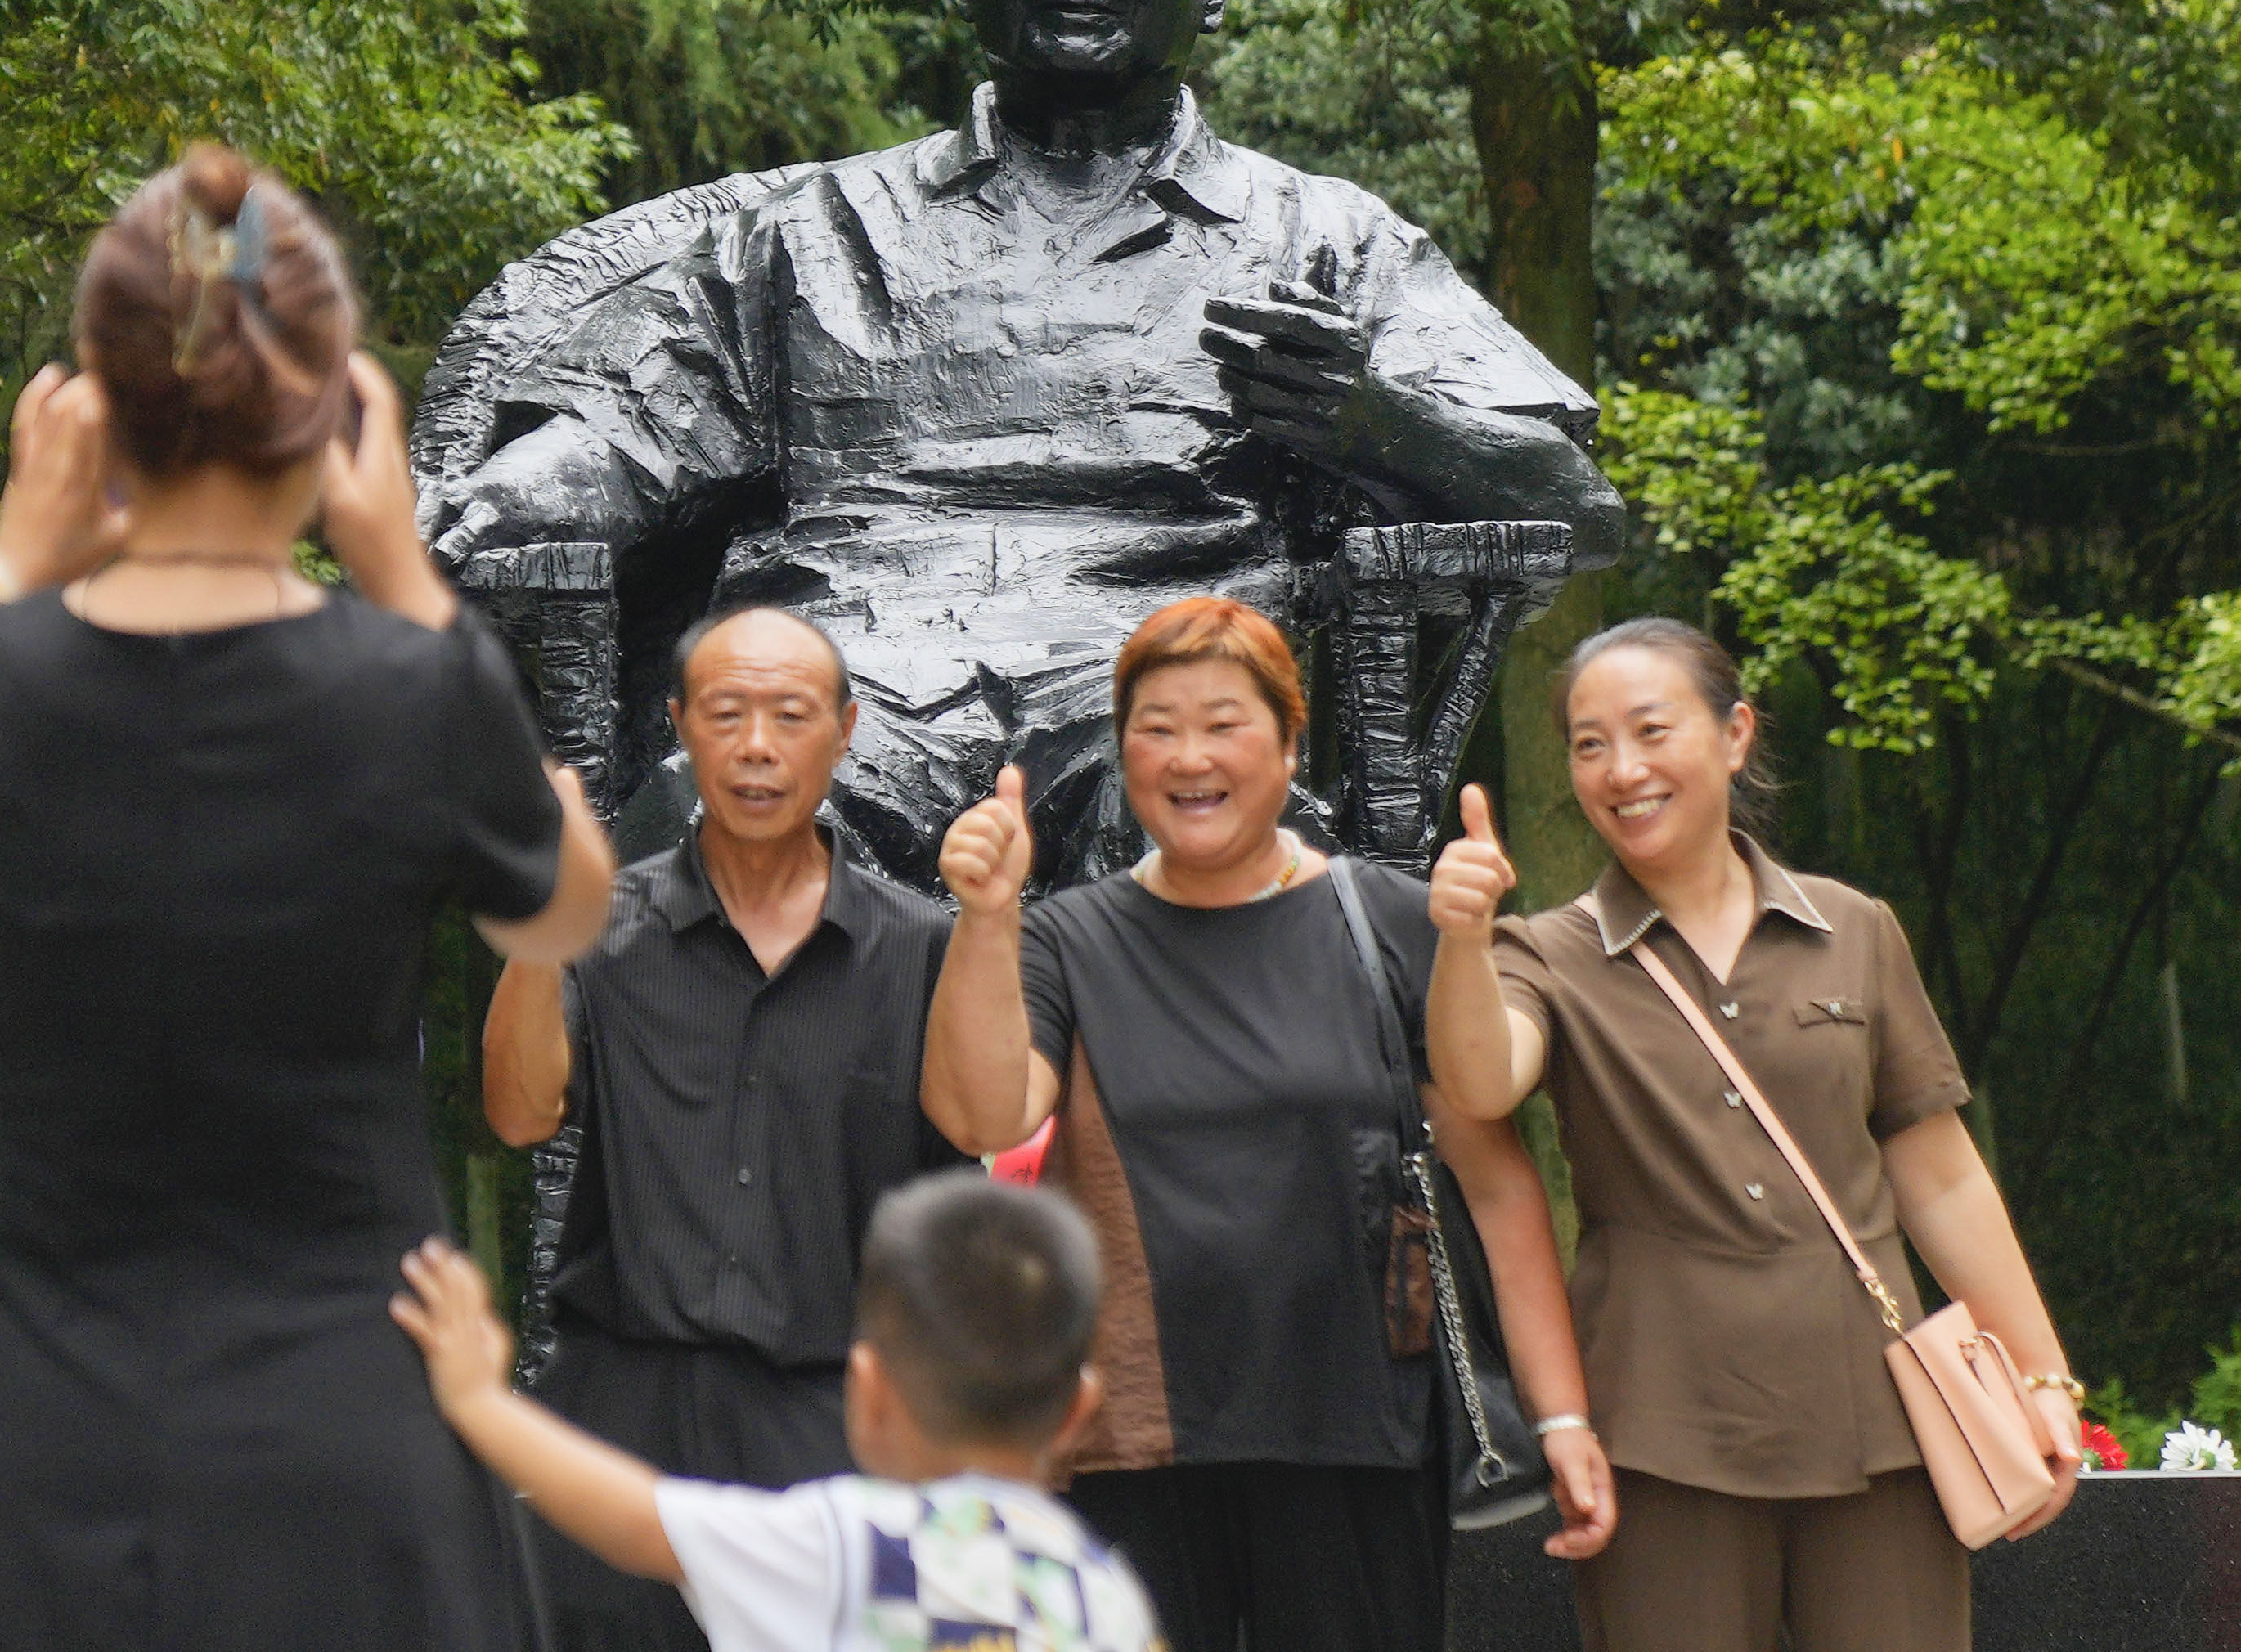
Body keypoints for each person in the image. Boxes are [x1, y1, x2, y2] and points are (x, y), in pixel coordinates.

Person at [416, 0, 1623, 889]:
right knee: (713, 819)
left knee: (1207, 822)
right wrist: (515, 491)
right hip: (849, 680)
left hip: (1163, 688)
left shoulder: (1324, 240)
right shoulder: (807, 230)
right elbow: (621, 430)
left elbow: (1575, 506)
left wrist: (1379, 419)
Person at [0, 144, 618, 1652]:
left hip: (42, 1419)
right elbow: (559, 911)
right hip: (347, 1413)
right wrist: (400, 567)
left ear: (94, 404)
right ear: (329, 406)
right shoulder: (410, 688)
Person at [918, 596, 1613, 1652]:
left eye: (1223, 722)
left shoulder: (1387, 916)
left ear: (1292, 744)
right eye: (1156, 727)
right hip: (1128, 1441)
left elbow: (1493, 1171)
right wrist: (985, 916)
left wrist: (1559, 1417)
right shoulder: (1064, 937)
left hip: (1357, 1428)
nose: (1188, 755)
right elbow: (982, 1110)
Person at [1422, 617, 2084, 1652]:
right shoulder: (1543, 952)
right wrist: (1461, 943)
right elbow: (1479, 1075)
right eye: (1589, 744)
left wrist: (2043, 1378)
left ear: (1735, 734)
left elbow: (1942, 1179)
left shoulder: (1852, 927)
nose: (1622, 769)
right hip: (1663, 1436)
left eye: (1650, 730)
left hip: (1887, 1425)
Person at [483, 602, 972, 1650]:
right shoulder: (603, 926)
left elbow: (982, 1131)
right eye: (727, 712)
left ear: (843, 732)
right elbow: (522, 1111)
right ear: (680, 724)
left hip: (833, 1415)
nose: (756, 746)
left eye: (790, 714)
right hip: (623, 1406)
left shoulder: (922, 947)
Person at [392, 1172, 1166, 1652]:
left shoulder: (855, 1544)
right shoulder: (1105, 1586)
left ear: (866, 1390)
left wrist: (479, 1399)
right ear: (1079, 1410)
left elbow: (638, 1520)